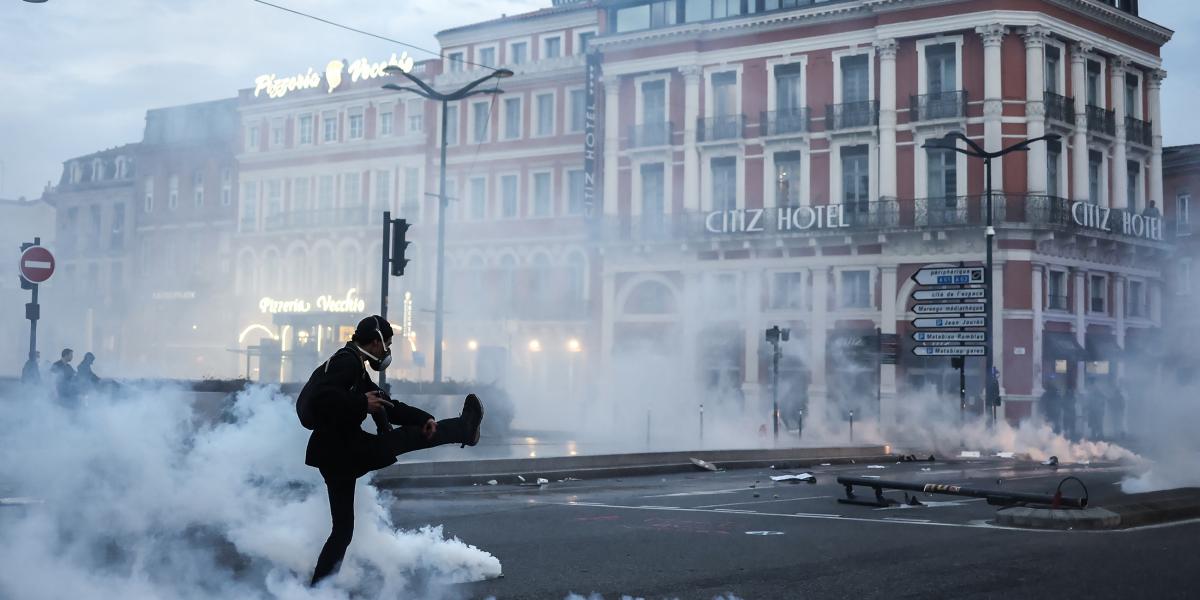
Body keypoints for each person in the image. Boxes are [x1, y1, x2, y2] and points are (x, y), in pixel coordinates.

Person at [298, 315, 484, 587]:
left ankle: (319, 588)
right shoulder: (347, 362)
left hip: (335, 454)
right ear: (375, 342)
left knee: (342, 532)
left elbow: (386, 404)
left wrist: (423, 418)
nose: (387, 351)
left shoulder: (355, 366)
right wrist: (362, 403)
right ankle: (464, 429)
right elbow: (323, 398)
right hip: (344, 450)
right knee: (407, 439)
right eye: (387, 344)